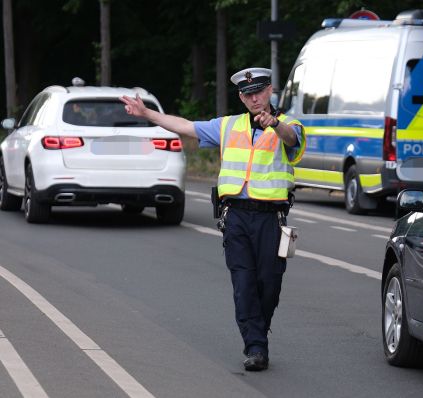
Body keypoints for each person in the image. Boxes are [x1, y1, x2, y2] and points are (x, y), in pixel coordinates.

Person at [120, 67, 305, 372]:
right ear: (241, 97)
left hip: (271, 218)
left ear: (270, 91)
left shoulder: (289, 124)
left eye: (259, 92)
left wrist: (275, 124)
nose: (254, 98)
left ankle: (258, 327)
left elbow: (291, 138)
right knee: (244, 284)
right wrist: (148, 114)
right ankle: (256, 347)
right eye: (248, 94)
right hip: (236, 217)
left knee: (268, 284)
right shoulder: (229, 126)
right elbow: (187, 127)